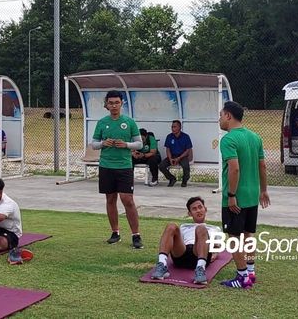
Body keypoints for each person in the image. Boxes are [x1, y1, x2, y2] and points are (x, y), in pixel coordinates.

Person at [218, 101, 271, 289]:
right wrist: (263, 190)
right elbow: (262, 166)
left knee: (233, 236)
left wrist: (231, 195)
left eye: (220, 115)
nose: (219, 119)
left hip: (236, 197)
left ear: (228, 116)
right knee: (247, 234)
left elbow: (234, 169)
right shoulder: (255, 137)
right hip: (252, 195)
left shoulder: (228, 139)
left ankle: (242, 277)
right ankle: (250, 272)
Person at [91, 90, 144, 249]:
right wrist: (102, 144)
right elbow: (94, 143)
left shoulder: (129, 122)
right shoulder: (102, 122)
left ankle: (136, 235)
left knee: (127, 199)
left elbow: (139, 144)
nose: (114, 105)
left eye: (117, 102)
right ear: (106, 105)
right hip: (106, 166)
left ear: (122, 104)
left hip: (124, 166)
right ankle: (115, 232)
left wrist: (126, 145)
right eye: (111, 103)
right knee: (110, 199)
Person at [150, 196, 221, 284]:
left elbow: (217, 247)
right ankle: (162, 265)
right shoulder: (184, 226)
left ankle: (200, 269)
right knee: (171, 226)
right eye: (194, 209)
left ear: (205, 209)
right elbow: (176, 242)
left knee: (201, 228)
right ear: (190, 213)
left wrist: (215, 254)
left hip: (199, 255)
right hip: (182, 254)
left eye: (200, 207)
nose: (198, 210)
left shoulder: (215, 228)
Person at [158, 120, 193, 187]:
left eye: (175, 127)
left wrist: (179, 158)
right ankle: (172, 179)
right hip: (172, 155)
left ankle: (184, 181)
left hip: (182, 156)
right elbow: (167, 149)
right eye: (172, 127)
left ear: (180, 127)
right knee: (161, 166)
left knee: (186, 166)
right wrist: (170, 158)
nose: (173, 129)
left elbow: (188, 150)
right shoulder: (169, 136)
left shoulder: (186, 137)